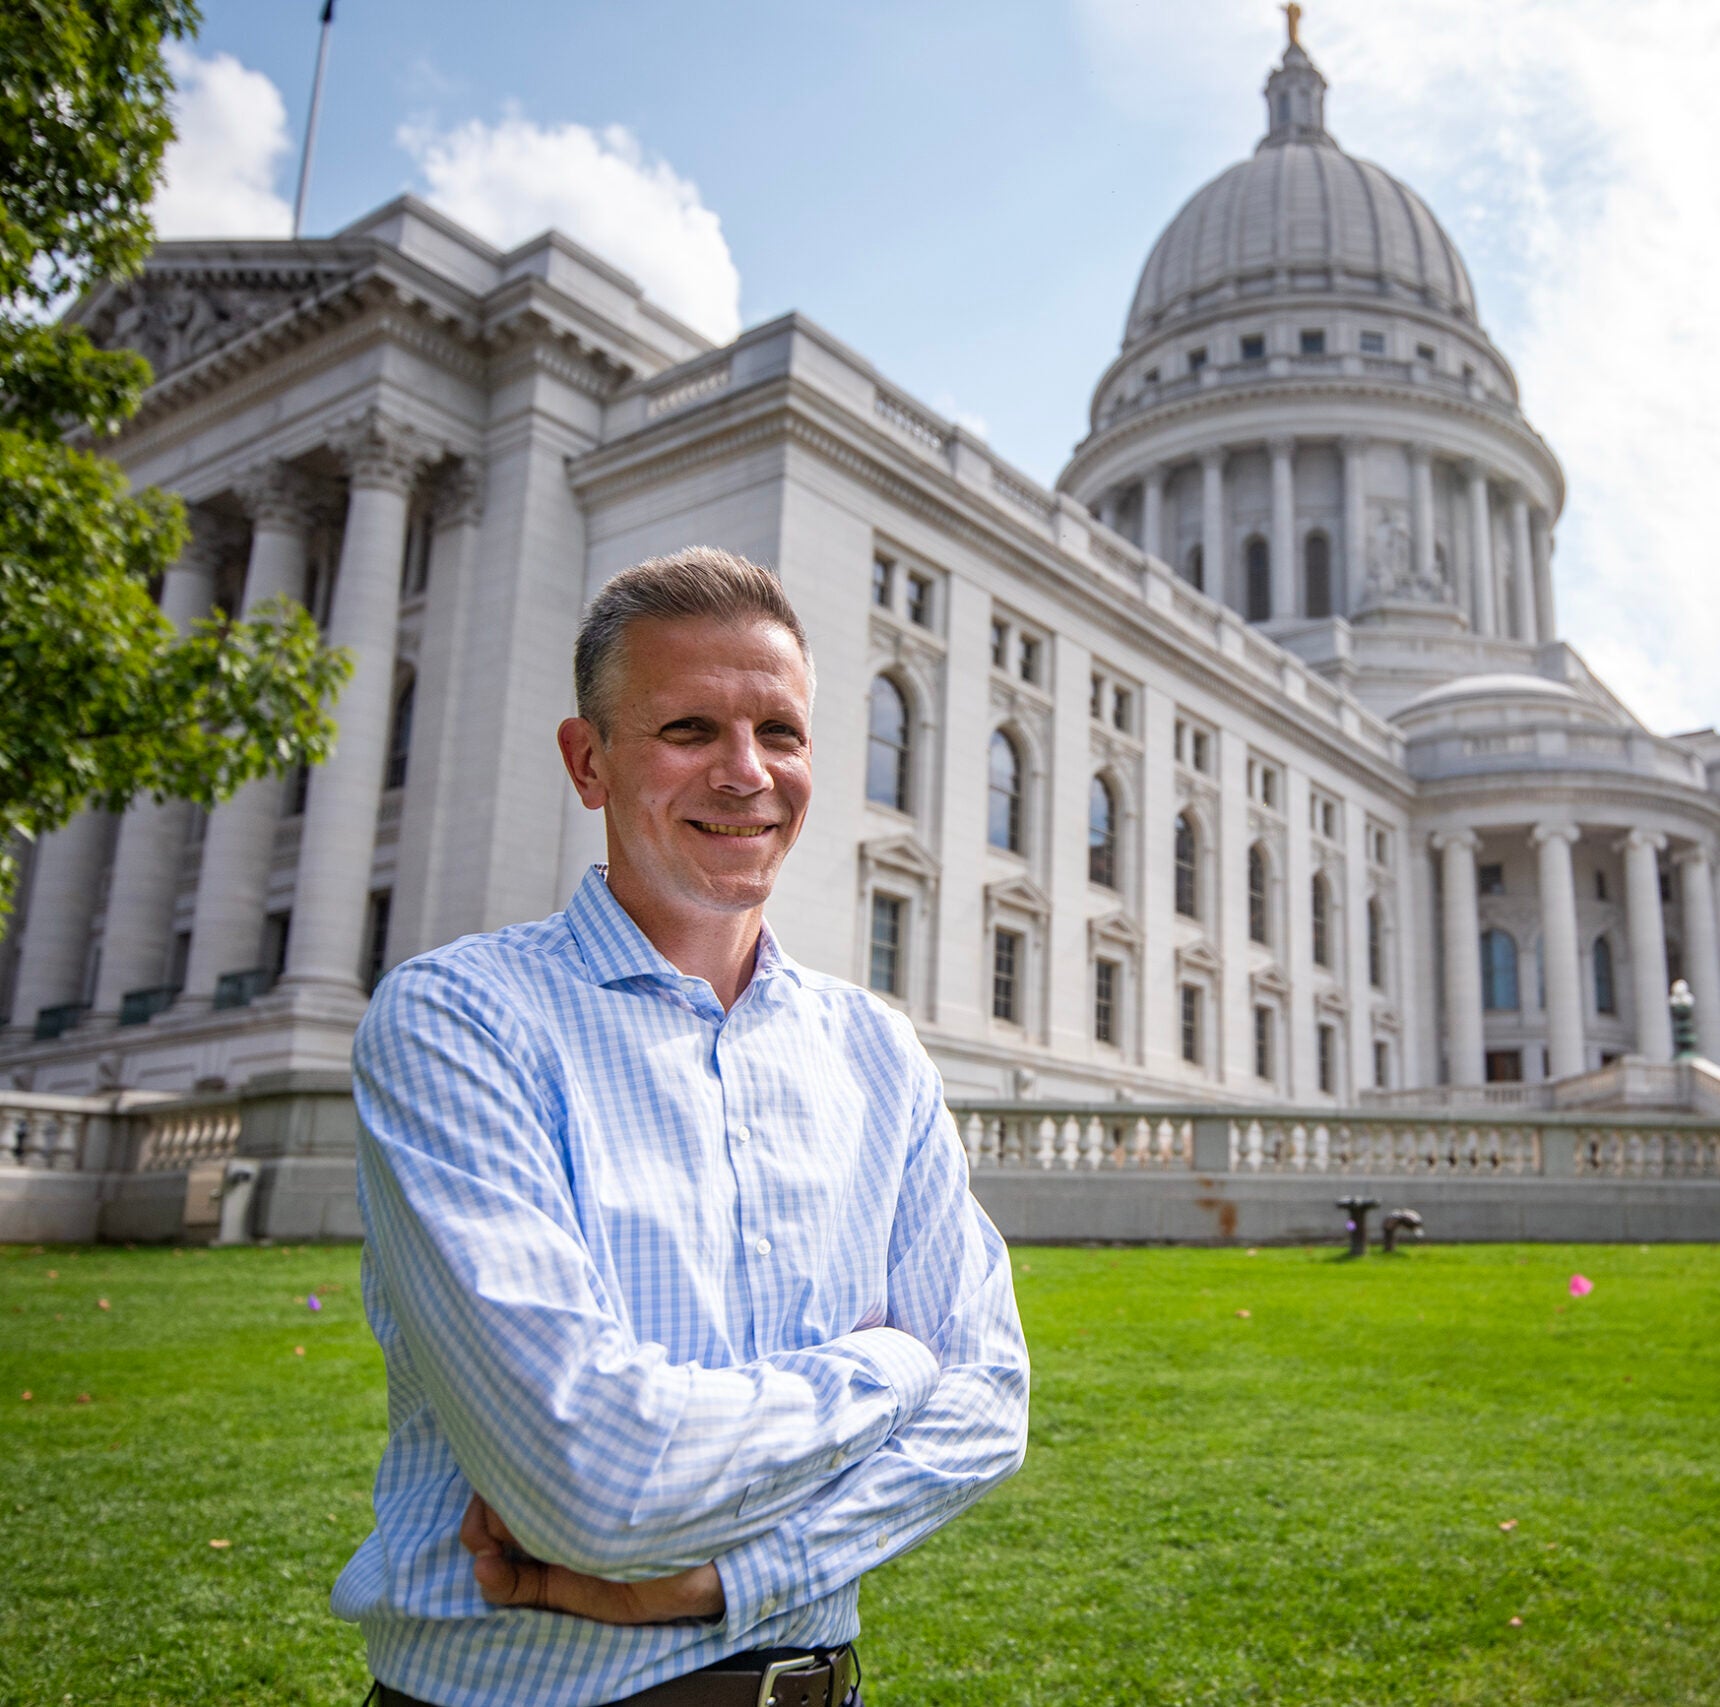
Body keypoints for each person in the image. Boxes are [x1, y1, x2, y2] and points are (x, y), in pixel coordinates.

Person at [333, 548, 1030, 1707]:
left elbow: (992, 1407)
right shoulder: (461, 1019)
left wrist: (719, 1583)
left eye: (783, 733)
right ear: (588, 760)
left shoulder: (875, 1052)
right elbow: (588, 1483)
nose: (747, 773)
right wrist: (896, 1363)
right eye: (690, 730)